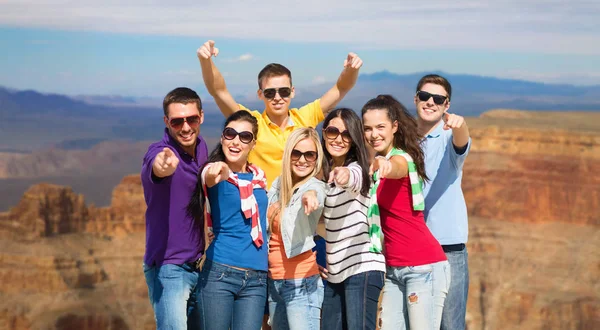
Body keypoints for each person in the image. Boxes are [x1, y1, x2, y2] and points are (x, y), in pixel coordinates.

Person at [197, 39, 363, 187]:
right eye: (270, 93)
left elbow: (340, 88)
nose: (277, 98)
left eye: (283, 91)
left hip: (299, 209)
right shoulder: (251, 123)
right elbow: (219, 91)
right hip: (262, 209)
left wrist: (351, 69)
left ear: (292, 92)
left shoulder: (304, 117)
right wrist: (206, 61)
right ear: (260, 94)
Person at [362, 95, 450, 330]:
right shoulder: (381, 159)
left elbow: (397, 167)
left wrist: (385, 166)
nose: (374, 134)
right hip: (394, 270)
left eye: (380, 127)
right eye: (368, 128)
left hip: (423, 267)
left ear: (394, 127)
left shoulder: (400, 159)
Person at [187, 110, 268, 330]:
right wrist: (219, 169)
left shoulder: (259, 178)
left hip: (257, 279)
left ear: (253, 144)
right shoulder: (213, 172)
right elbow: (210, 176)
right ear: (222, 137)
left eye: (245, 137)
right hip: (220, 273)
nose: (236, 141)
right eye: (230, 134)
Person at [141, 87, 208, 330]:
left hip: (200, 266)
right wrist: (163, 166)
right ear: (166, 122)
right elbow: (157, 167)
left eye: (191, 119)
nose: (186, 127)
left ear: (201, 116)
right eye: (177, 122)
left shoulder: (201, 147)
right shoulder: (159, 152)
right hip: (169, 268)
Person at [319, 108, 386, 330]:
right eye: (333, 131)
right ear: (324, 133)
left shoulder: (356, 169)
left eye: (346, 134)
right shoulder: (323, 175)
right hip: (335, 273)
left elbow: (354, 178)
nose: (339, 139)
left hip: (362, 268)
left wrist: (344, 175)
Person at [414, 74, 471, 330]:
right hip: (413, 249)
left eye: (438, 99)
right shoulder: (405, 142)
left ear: (446, 105)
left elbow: (462, 141)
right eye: (425, 96)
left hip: (448, 249)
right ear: (416, 99)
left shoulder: (450, 138)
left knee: (450, 325)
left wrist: (460, 125)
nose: (430, 102)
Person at [266, 128, 327, 330]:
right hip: (275, 282)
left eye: (309, 154)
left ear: (317, 158)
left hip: (301, 283)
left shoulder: (315, 186)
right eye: (296, 153)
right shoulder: (278, 186)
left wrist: (310, 196)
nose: (302, 160)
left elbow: (316, 192)